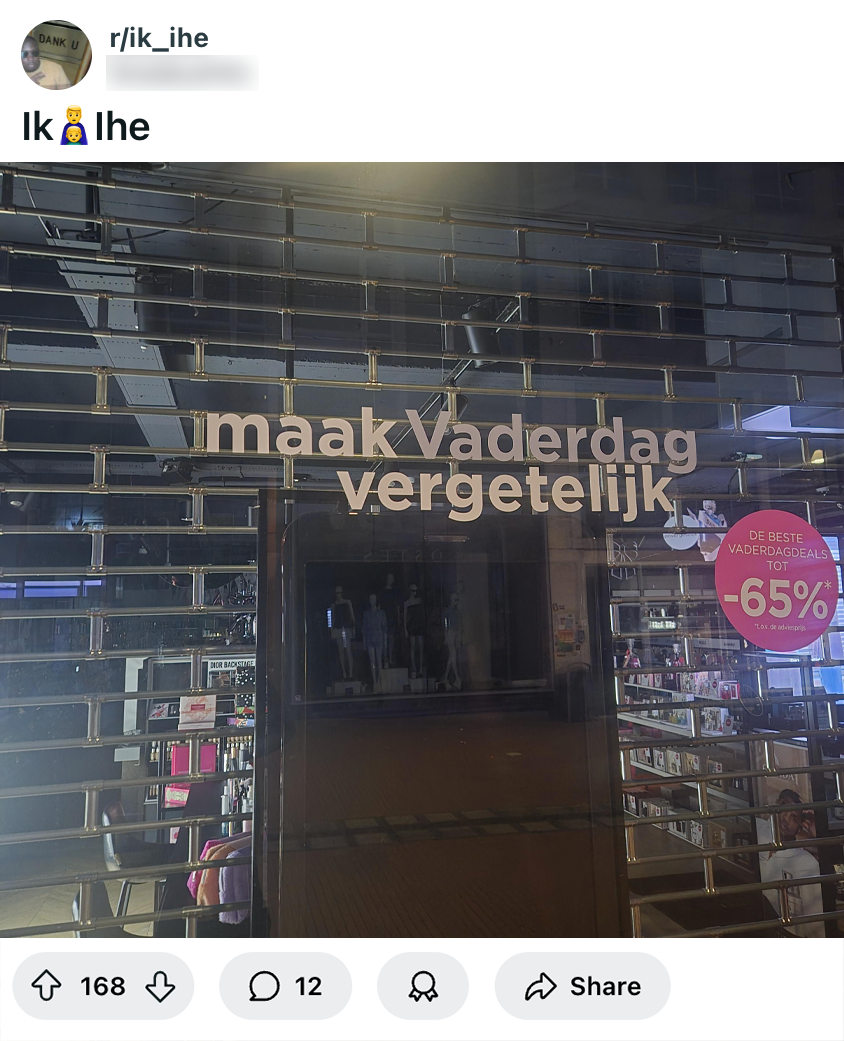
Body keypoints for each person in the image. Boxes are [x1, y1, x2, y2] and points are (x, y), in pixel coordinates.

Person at [756, 788, 823, 937]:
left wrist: (816, 835)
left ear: (800, 826)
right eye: (783, 808)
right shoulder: (757, 829)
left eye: (794, 818)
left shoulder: (803, 859)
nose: (786, 819)